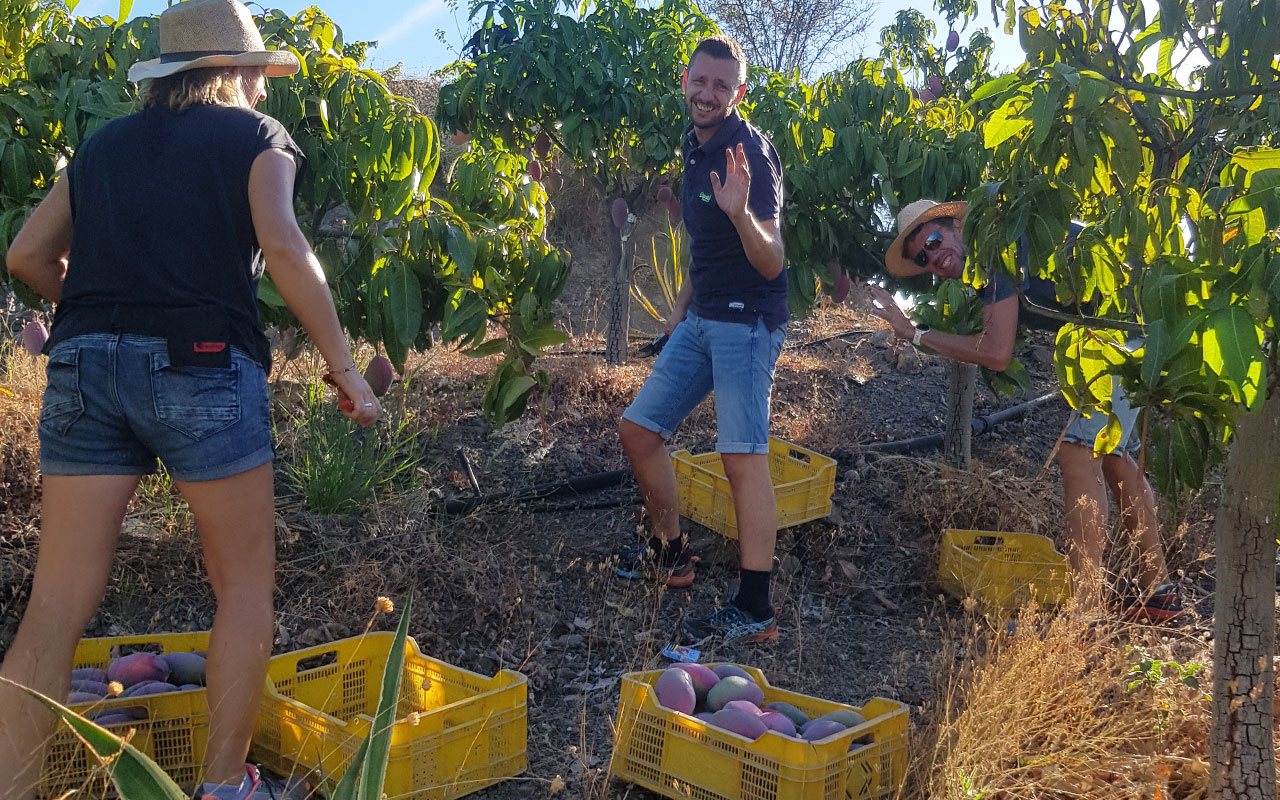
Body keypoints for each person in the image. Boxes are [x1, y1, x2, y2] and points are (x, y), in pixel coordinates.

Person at [0, 1, 380, 797]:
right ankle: (223, 788)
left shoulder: (101, 147)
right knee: (242, 587)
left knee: (56, 604)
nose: (265, 95)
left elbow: (27, 253)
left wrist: (92, 312)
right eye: (259, 79)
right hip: (201, 362)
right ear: (238, 75)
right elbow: (282, 243)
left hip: (82, 363)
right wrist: (344, 370)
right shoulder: (255, 138)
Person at [869, 199, 1182, 621]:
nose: (934, 261)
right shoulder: (992, 251)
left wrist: (914, 334)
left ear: (955, 224)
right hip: (1136, 324)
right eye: (923, 260)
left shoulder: (994, 247)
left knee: (1078, 451)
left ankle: (1085, 615)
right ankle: (1159, 591)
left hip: (1130, 328)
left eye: (933, 241)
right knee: (1114, 455)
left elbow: (995, 353)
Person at [616, 35, 787, 645]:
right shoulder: (694, 146)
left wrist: (741, 214)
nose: (708, 94)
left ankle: (755, 605)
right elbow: (702, 249)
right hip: (703, 317)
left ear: (738, 93)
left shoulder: (749, 153)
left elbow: (772, 263)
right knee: (638, 429)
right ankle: (671, 554)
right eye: (701, 81)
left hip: (747, 322)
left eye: (722, 85)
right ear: (685, 81)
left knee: (742, 456)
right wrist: (678, 313)